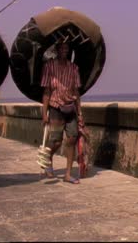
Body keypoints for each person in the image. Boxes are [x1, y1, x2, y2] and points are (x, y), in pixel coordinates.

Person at [40, 41, 84, 184]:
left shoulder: (74, 68)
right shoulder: (49, 66)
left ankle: (68, 174)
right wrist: (44, 113)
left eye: (67, 48)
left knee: (72, 139)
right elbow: (47, 91)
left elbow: (77, 92)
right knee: (57, 141)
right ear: (57, 50)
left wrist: (80, 113)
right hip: (55, 107)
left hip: (70, 107)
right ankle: (47, 158)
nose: (64, 51)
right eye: (62, 48)